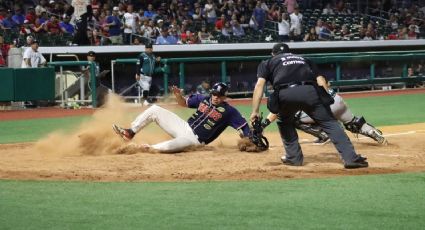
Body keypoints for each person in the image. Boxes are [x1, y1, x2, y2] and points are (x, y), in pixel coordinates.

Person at [250, 43, 368, 169]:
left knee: (285, 122)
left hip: (285, 94)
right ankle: (351, 159)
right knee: (330, 123)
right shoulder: (304, 59)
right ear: (290, 52)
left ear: (273, 54)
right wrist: (326, 99)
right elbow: (321, 80)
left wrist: (255, 111)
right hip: (310, 91)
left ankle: (293, 158)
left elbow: (259, 86)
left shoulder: (267, 62)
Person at [112, 82, 251, 153]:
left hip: (194, 140)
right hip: (184, 126)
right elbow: (183, 103)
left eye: (219, 95)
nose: (215, 97)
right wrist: (178, 95)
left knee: (166, 147)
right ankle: (130, 132)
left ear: (224, 96)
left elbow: (244, 127)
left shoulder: (230, 111)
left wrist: (249, 139)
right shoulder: (203, 98)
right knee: (155, 109)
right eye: (214, 93)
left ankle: (145, 148)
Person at [262, 88, 388, 145]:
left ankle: (323, 134)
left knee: (294, 118)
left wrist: (263, 124)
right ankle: (372, 131)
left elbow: (277, 112)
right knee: (352, 123)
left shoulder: (287, 88)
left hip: (326, 106)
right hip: (336, 98)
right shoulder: (303, 75)